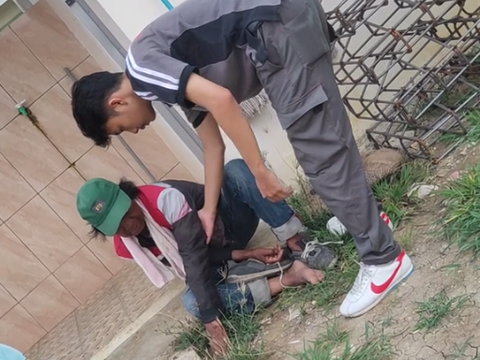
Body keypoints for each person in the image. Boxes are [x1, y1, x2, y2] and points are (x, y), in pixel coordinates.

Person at [70, 0, 413, 318]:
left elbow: (221, 100)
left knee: (320, 156)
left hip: (276, 28)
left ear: (116, 104)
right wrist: (206, 211)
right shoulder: (164, 79)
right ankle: (369, 221)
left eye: (119, 129)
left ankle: (384, 260)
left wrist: (259, 170)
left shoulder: (142, 69)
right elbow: (212, 146)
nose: (133, 131)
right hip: (282, 21)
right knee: (327, 140)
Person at [76, 159, 333, 356]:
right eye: (116, 226)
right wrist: (244, 254)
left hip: (231, 225)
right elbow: (196, 262)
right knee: (193, 302)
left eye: (125, 213)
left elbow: (192, 256)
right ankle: (289, 278)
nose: (127, 226)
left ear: (128, 195)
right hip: (215, 255)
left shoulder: (164, 199)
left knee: (234, 170)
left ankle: (299, 243)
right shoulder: (126, 247)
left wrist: (213, 323)